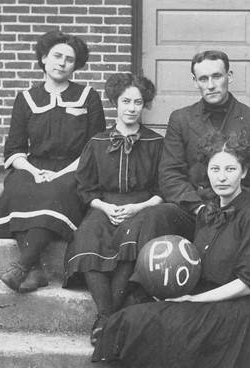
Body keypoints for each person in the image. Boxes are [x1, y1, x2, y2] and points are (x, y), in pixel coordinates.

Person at [92, 130, 250, 368]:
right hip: (201, 294)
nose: (221, 177)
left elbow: (249, 284)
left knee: (177, 330)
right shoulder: (209, 211)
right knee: (131, 319)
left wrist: (193, 300)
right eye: (215, 169)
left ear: (244, 172)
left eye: (230, 169)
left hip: (237, 308)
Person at [0, 31, 106, 293]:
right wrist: (35, 171)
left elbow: (94, 147)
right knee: (19, 187)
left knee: (56, 191)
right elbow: (14, 150)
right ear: (44, 58)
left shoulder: (89, 97)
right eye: (57, 56)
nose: (62, 63)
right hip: (33, 167)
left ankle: (23, 267)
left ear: (75, 65)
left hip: (75, 168)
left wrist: (60, 174)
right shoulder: (25, 98)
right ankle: (34, 270)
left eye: (69, 59)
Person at [63, 73, 165, 345]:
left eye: (138, 102)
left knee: (130, 242)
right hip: (104, 206)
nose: (131, 108)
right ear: (115, 103)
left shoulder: (156, 143)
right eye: (126, 101)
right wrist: (105, 207)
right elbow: (86, 188)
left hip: (142, 206)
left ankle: (105, 319)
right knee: (88, 235)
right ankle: (106, 315)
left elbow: (163, 189)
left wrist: (138, 207)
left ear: (145, 106)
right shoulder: (97, 142)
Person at [148, 50, 250, 242]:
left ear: (229, 76)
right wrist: (199, 208)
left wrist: (230, 206)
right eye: (203, 79)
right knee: (158, 216)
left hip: (236, 211)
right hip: (194, 209)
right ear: (195, 81)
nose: (211, 85)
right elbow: (170, 174)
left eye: (217, 76)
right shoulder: (181, 119)